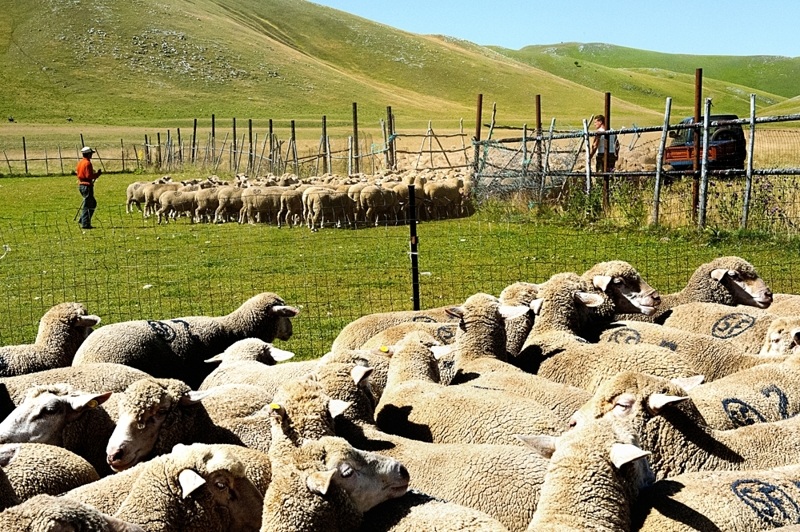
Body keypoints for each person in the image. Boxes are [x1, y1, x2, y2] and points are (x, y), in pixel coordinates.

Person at [76, 146, 102, 229]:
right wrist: (97, 174)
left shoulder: (81, 162)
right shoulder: (87, 163)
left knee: (90, 203)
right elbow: (89, 176)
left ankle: (83, 220)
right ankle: (85, 223)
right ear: (88, 154)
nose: (92, 155)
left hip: (82, 185)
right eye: (91, 153)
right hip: (87, 186)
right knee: (89, 204)